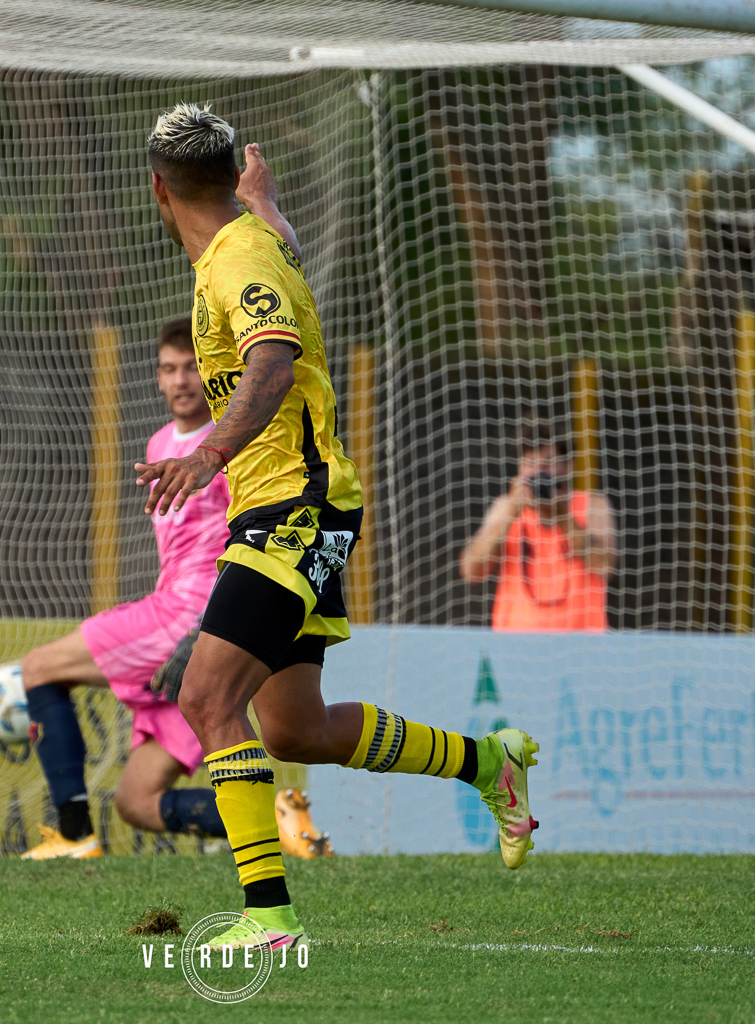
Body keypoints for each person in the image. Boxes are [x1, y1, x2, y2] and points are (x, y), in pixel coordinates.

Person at [134, 105, 538, 952]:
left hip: (296, 505)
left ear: (160, 191)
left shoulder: (235, 256)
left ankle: (269, 917)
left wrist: (206, 456)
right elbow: (276, 258)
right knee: (293, 729)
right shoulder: (250, 240)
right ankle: (487, 763)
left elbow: (273, 362)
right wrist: (269, 206)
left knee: (206, 696)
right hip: (284, 503)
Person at [16, 317, 331, 860]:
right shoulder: (161, 442)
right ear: (157, 378)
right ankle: (279, 820)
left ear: (209, 371)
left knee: (39, 670)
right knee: (138, 800)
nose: (181, 379)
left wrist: (203, 628)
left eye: (191, 367)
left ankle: (72, 833)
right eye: (168, 369)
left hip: (191, 615)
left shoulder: (231, 444)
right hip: (179, 619)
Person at [459, 423, 617, 631]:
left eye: (547, 464)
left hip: (582, 645)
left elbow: (605, 566)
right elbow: (471, 570)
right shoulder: (506, 507)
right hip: (515, 643)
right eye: (530, 463)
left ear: (568, 466)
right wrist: (510, 513)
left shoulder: (592, 505)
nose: (538, 473)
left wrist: (561, 516)